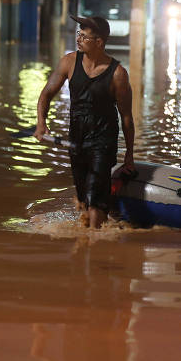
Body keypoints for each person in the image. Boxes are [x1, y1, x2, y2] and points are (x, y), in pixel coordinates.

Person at [34, 15, 135, 229]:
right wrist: (41, 123)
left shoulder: (118, 74)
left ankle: (93, 245)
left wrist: (129, 155)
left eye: (84, 36)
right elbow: (46, 94)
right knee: (83, 199)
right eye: (78, 34)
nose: (78, 39)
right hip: (77, 139)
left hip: (103, 141)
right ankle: (94, 233)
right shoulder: (69, 62)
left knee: (96, 196)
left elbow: (126, 117)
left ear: (99, 42)